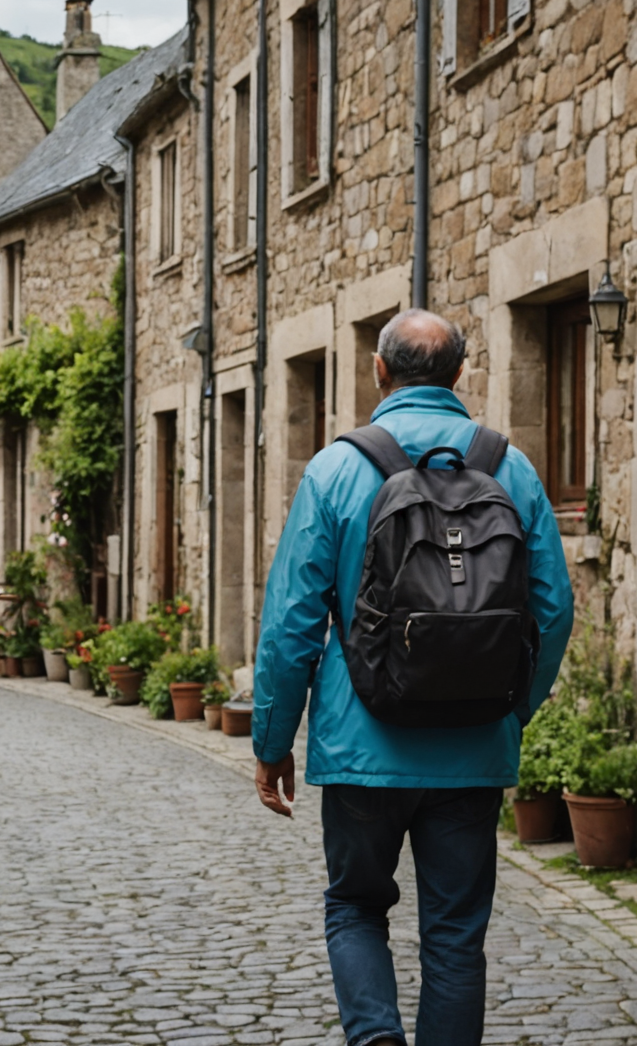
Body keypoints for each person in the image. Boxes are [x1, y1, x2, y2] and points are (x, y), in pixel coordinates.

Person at [251, 309, 574, 1046]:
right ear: (461, 375)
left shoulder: (335, 470)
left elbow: (291, 626)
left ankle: (376, 1040)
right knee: (456, 935)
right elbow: (553, 611)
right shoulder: (509, 468)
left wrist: (272, 742)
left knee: (356, 908)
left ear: (378, 372)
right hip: (470, 751)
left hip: (363, 747)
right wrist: (508, 711)